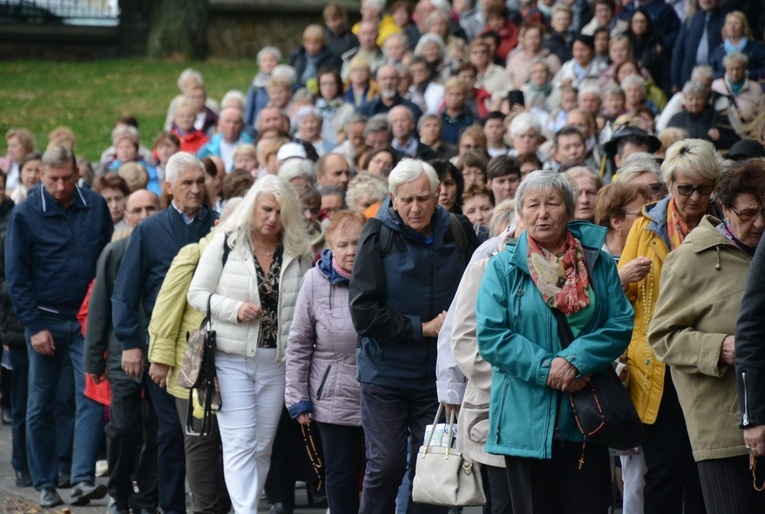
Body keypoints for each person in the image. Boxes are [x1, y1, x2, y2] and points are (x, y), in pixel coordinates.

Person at [475, 169, 634, 514]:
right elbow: (492, 336)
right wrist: (550, 369)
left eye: (552, 204)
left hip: (586, 419)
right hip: (524, 421)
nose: (542, 213)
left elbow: (620, 323)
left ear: (571, 209)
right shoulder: (503, 268)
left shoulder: (597, 261)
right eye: (533, 205)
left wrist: (575, 360)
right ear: (521, 212)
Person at [349, 158, 478, 514]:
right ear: (392, 198)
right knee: (385, 466)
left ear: (438, 196)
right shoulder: (377, 233)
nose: (415, 207)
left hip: (439, 378)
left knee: (432, 469)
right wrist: (420, 328)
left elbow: (476, 288)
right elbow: (363, 312)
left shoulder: (456, 229)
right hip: (385, 373)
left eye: (423, 198)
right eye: (406, 200)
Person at [187, 175, 312, 513]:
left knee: (262, 446)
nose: (272, 218)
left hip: (277, 361)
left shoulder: (298, 250)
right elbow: (196, 294)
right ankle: (246, 510)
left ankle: (246, 506)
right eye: (267, 209)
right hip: (231, 357)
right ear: (252, 207)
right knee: (239, 441)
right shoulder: (227, 242)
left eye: (280, 212)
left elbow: (305, 304)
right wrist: (235, 309)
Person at [648, 160, 765, 514]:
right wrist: (719, 348)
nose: (759, 222)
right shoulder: (690, 259)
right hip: (722, 428)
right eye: (747, 213)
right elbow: (662, 337)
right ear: (725, 208)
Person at [618, 138, 723, 514]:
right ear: (670, 185)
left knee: (704, 469)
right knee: (663, 470)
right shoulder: (646, 226)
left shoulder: (726, 224)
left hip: (711, 363)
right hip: (657, 365)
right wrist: (622, 276)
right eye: (685, 188)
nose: (694, 197)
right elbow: (618, 299)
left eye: (704, 187)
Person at [5, 146, 113, 508]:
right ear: (41, 177)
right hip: (45, 319)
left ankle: (82, 477)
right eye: (53, 180)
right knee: (40, 403)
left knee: (91, 397)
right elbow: (17, 277)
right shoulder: (26, 213)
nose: (61, 186)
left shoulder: (94, 205)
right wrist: (33, 326)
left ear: (77, 171)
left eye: (67, 178)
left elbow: (106, 260)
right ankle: (45, 481)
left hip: (85, 317)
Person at [112, 152, 219, 514]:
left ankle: (212, 504)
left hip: (210, 343)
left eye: (199, 182)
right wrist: (130, 344)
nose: (194, 189)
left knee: (209, 433)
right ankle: (170, 507)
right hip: (168, 348)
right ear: (168, 186)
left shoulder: (218, 227)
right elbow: (126, 292)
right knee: (170, 432)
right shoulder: (149, 230)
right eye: (186, 183)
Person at [84, 189, 161, 514]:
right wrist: (93, 359)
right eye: (137, 210)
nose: (144, 215)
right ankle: (119, 492)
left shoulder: (171, 250)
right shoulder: (114, 252)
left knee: (159, 429)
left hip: (162, 355)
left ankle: (148, 496)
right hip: (122, 354)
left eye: (151, 208)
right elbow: (99, 307)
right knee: (123, 428)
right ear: (127, 216)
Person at [285, 211, 365, 514]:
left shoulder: (381, 274)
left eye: (358, 242)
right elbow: (299, 342)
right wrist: (298, 398)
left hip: (379, 391)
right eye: (343, 244)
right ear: (331, 246)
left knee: (381, 470)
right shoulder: (315, 280)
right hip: (332, 394)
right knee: (341, 472)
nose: (351, 251)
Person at [670, 0, 725, 93]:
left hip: (716, 79)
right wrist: (675, 82)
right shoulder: (691, 19)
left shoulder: (726, 20)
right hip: (689, 78)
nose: (707, 1)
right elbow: (679, 52)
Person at [710, 11, 765, 83]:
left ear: (744, 26)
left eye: (736, 23)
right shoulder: (718, 50)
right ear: (725, 27)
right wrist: (725, 75)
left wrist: (748, 74)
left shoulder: (757, 48)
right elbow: (712, 72)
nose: (732, 27)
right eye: (729, 24)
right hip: (723, 89)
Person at [197, 107, 255, 172]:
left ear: (242, 126)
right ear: (219, 123)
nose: (231, 126)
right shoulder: (208, 148)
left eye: (236, 122)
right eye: (228, 121)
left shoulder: (252, 146)